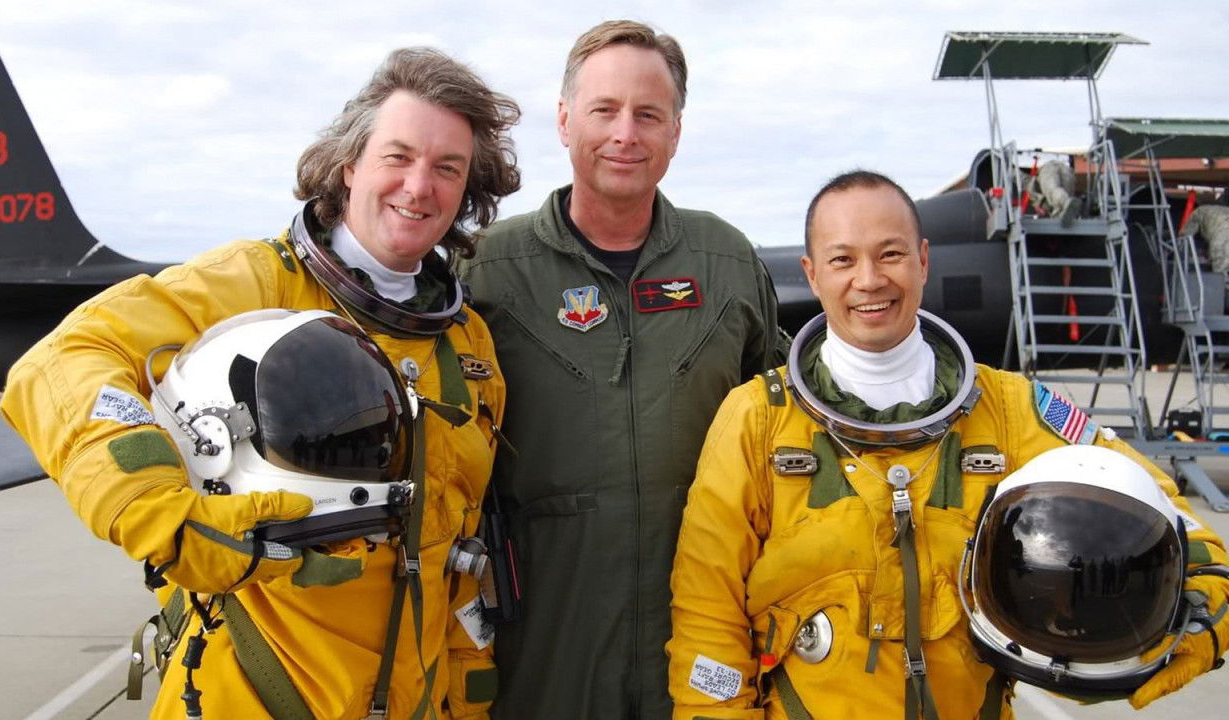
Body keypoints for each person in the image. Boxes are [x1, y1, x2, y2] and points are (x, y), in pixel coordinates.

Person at [0, 47, 520, 720]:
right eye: (398, 157)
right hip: (250, 695)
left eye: (446, 168)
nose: (420, 186)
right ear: (350, 166)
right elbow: (61, 362)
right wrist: (152, 503)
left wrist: (468, 698)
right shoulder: (256, 285)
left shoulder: (465, 342)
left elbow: (458, 550)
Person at [667, 170, 1229, 719]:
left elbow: (1148, 499)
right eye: (843, 259)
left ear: (923, 261)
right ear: (813, 275)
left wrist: (1206, 603)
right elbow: (706, 608)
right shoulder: (756, 418)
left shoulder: (1009, 408)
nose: (869, 280)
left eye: (891, 254)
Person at [457, 20, 786, 720]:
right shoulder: (489, 271)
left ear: (675, 131)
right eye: (605, 110)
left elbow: (785, 428)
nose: (625, 134)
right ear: (565, 118)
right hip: (542, 647)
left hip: (704, 642)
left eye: (648, 115)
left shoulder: (725, 263)